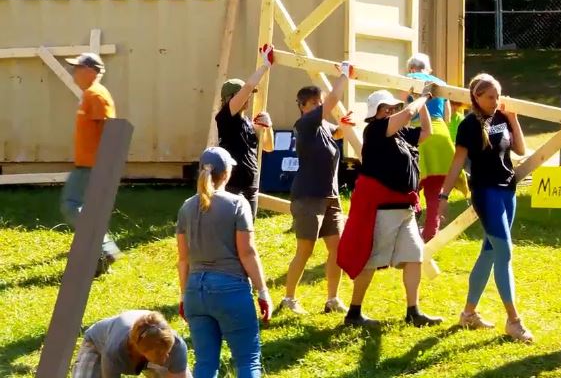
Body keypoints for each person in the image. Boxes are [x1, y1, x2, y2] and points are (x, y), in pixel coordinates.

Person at [336, 86, 443, 327]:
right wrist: (422, 98)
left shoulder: (402, 135)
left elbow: (426, 131)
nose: (394, 110)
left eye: (394, 107)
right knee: (371, 261)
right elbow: (406, 115)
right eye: (388, 108)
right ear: (376, 113)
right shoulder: (374, 130)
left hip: (404, 208)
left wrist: (422, 104)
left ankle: (413, 311)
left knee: (415, 256)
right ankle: (354, 313)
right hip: (383, 209)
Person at [438, 73, 532, 342]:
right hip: (486, 194)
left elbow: (521, 148)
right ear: (476, 97)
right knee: (505, 252)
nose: (495, 101)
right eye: (490, 96)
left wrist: (513, 118)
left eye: (498, 95)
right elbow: (457, 163)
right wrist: (443, 197)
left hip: (507, 191)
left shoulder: (501, 118)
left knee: (490, 253)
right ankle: (514, 321)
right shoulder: (468, 125)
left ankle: (468, 314)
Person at [176, 147, 272, 378]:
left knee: (205, 364)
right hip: (230, 289)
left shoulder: (186, 207)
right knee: (248, 359)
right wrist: (262, 290)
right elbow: (247, 253)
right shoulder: (238, 204)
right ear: (227, 174)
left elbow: (182, 259)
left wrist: (183, 296)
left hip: (194, 292)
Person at [276, 62, 355, 315]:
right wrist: (344, 75)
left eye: (318, 103)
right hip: (309, 196)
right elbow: (331, 102)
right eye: (313, 103)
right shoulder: (305, 126)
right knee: (306, 250)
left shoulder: (322, 127)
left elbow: (339, 133)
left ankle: (332, 300)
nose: (318, 107)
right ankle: (288, 299)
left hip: (330, 196)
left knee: (337, 248)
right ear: (303, 107)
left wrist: (345, 124)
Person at [60, 52, 121, 277]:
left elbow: (109, 128)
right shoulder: (90, 94)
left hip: (91, 165)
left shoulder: (96, 95)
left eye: (78, 68)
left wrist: (105, 166)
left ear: (91, 71)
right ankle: (102, 253)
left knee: (71, 205)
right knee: (87, 211)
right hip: (88, 163)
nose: (74, 72)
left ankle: (104, 249)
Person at [402, 53, 459, 241]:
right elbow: (447, 117)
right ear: (429, 69)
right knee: (435, 190)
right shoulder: (440, 83)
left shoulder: (407, 80)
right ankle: (430, 234)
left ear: (411, 68)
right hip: (441, 137)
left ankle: (410, 225)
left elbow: (403, 109)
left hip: (419, 135)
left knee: (411, 184)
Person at [215, 45, 276, 219]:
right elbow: (249, 86)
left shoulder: (248, 123)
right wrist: (265, 64)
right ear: (230, 98)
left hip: (251, 186)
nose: (248, 98)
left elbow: (269, 147)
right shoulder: (225, 117)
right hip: (232, 186)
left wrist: (268, 126)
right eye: (244, 96)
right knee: (232, 231)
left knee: (248, 230)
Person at [71, 310, 189, 378]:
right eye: (160, 353)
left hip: (145, 354)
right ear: (142, 351)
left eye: (167, 351)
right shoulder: (114, 350)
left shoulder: (175, 346)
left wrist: (162, 353)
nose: (167, 357)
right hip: (96, 346)